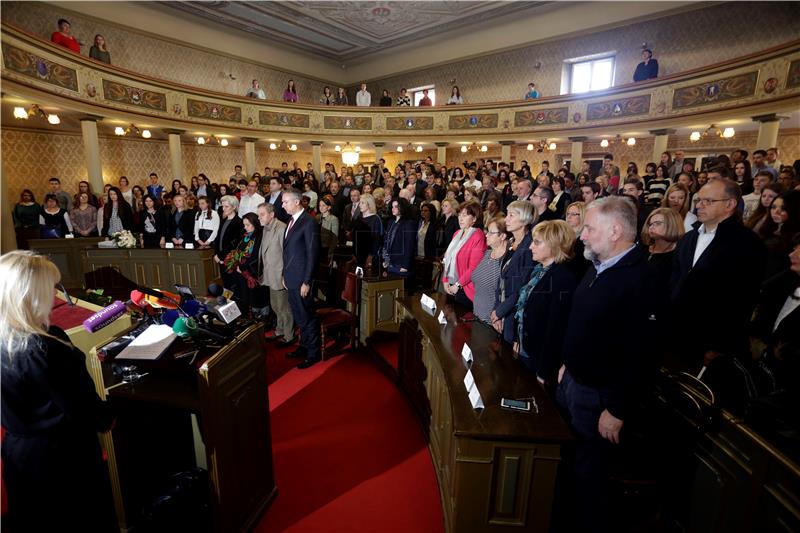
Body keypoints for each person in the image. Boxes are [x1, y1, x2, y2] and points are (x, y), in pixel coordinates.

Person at [0, 251, 117, 532]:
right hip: (63, 459)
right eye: (51, 288)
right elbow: (88, 411)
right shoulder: (46, 346)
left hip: (20, 455)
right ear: (31, 294)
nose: (56, 296)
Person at [557, 196, 652, 532]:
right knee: (569, 462)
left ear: (615, 231)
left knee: (589, 474)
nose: (581, 235)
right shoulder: (598, 267)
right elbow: (583, 324)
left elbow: (640, 353)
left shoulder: (640, 278)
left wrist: (617, 409)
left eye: (589, 228)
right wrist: (567, 363)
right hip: (573, 381)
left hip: (600, 397)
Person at [670, 179, 766, 409]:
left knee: (698, 404)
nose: (699, 206)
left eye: (708, 201)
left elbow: (742, 300)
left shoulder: (747, 243)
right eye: (698, 200)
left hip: (711, 342)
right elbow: (674, 281)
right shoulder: (689, 238)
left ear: (730, 204)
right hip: (677, 335)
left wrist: (719, 346)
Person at [516, 220, 580, 386]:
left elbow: (556, 330)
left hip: (541, 361)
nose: (530, 247)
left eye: (537, 242)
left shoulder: (563, 278)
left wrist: (544, 371)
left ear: (555, 245)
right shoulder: (539, 270)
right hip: (527, 350)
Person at [281, 189, 322, 369]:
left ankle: (313, 353)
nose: (282, 205)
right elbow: (288, 252)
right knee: (298, 316)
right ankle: (303, 346)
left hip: (302, 280)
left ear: (297, 202)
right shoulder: (290, 221)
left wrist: (307, 281)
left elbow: (313, 255)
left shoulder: (309, 222)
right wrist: (284, 274)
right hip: (291, 278)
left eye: (285, 201)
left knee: (307, 317)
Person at [491, 200, 535, 343]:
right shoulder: (511, 242)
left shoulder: (529, 248)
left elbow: (522, 288)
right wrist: (497, 309)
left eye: (511, 215)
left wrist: (500, 311)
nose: (506, 219)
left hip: (514, 314)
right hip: (503, 310)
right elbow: (502, 278)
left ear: (524, 219)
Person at [257, 203, 293, 342]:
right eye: (258, 214)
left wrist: (284, 275)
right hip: (269, 273)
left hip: (279, 275)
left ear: (271, 215)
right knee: (275, 306)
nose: (259, 217)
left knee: (284, 308)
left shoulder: (281, 228)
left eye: (262, 214)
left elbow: (287, 254)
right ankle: (280, 330)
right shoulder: (265, 228)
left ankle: (289, 336)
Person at [442, 202, 486, 310]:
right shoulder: (457, 233)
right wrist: (445, 280)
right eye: (459, 215)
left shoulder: (478, 235)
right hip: (451, 285)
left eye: (465, 215)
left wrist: (457, 285)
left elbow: (474, 267)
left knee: (462, 325)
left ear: (474, 218)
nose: (460, 218)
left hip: (465, 288)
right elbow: (448, 260)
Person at [471, 217, 508, 325]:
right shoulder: (487, 253)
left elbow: (505, 295)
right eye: (487, 231)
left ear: (502, 236)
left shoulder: (506, 261)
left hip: (493, 323)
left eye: (491, 233)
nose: (486, 235)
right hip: (477, 316)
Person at [224, 212, 262, 314]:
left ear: (255, 223)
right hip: (240, 270)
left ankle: (252, 316)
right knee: (241, 295)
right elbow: (238, 251)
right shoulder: (245, 235)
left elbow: (255, 256)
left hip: (250, 271)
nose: (245, 227)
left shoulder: (259, 236)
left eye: (248, 225)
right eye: (244, 225)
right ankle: (242, 314)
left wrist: (242, 267)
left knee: (250, 297)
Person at [758, 191, 800, 280]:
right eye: (773, 207)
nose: (776, 212)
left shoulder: (796, 237)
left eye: (783, 208)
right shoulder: (767, 229)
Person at [214, 195, 244, 291]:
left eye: (226, 206)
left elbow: (234, 244)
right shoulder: (224, 220)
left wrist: (221, 256)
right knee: (225, 283)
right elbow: (218, 238)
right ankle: (227, 303)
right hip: (220, 258)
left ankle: (234, 304)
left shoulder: (239, 222)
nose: (223, 209)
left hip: (230, 259)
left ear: (234, 207)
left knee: (233, 284)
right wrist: (216, 254)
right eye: (223, 206)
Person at [382, 197, 417, 277]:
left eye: (396, 206)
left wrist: (405, 265)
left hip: (401, 263)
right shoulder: (391, 222)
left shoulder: (408, 223)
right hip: (390, 261)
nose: (393, 209)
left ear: (402, 207)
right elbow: (386, 241)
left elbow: (409, 245)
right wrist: (385, 259)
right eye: (392, 207)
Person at [352, 193, 383, 268]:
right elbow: (355, 237)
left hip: (370, 257)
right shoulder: (359, 218)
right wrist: (354, 253)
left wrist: (371, 256)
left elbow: (377, 239)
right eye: (360, 203)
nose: (360, 205)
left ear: (369, 204)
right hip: (358, 256)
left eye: (363, 203)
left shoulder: (375, 219)